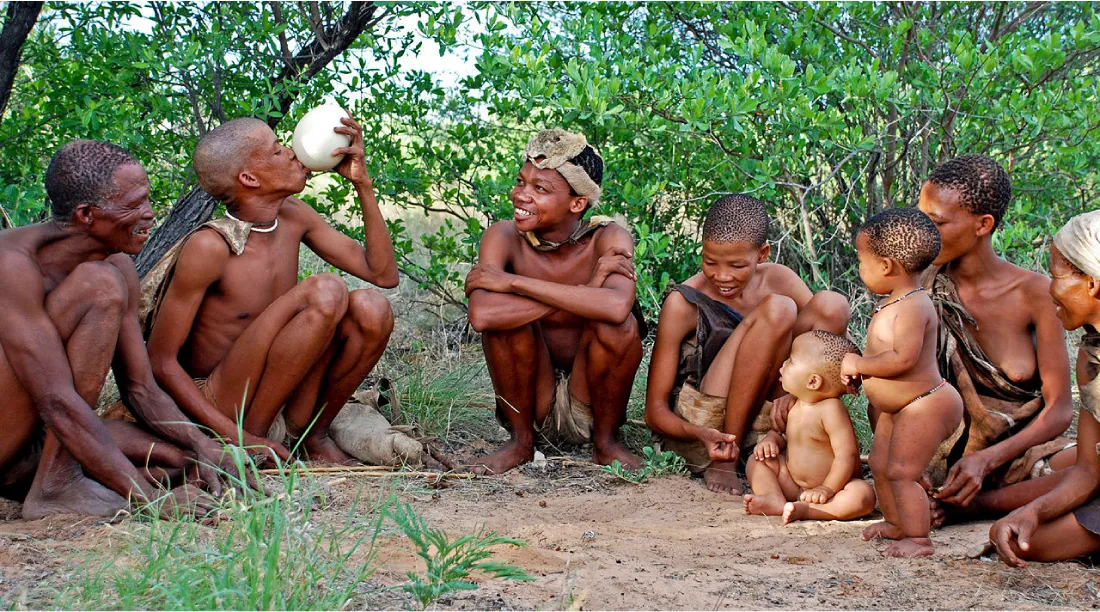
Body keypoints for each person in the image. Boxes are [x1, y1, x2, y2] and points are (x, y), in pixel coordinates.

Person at [0, 140, 236, 520]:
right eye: (134, 204)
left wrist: (203, 443)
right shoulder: (12, 264)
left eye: (147, 199)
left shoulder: (118, 265)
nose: (149, 214)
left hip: (39, 441)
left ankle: (59, 477)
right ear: (87, 215)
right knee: (99, 284)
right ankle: (56, 486)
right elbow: (56, 399)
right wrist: (152, 502)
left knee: (184, 463)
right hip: (12, 433)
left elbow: (140, 387)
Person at [144, 112, 398, 466]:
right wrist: (239, 437)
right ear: (248, 178)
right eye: (277, 151)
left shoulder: (294, 216)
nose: (293, 152)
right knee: (324, 289)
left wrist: (362, 184)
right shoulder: (210, 247)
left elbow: (383, 274)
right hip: (224, 403)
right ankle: (257, 443)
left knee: (373, 307)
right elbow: (161, 362)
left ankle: (311, 437)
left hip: (283, 390)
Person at [644, 194, 851, 494]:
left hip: (769, 406)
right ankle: (728, 457)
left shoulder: (779, 278)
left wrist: (799, 393)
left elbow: (826, 346)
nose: (722, 276)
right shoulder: (683, 302)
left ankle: (787, 432)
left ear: (763, 253)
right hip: (711, 417)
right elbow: (654, 410)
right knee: (779, 309)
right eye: (710, 262)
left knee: (832, 305)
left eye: (737, 265)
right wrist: (698, 432)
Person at [464, 129, 643, 474]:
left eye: (540, 189)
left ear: (577, 204)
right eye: (521, 182)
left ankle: (606, 444)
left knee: (621, 328)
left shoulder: (608, 237)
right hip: (533, 399)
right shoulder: (504, 236)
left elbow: (616, 307)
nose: (521, 195)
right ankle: (520, 443)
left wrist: (513, 283)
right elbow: (483, 316)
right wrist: (588, 288)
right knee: (505, 324)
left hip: (589, 400)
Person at [915, 155, 1074, 521]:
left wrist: (986, 460)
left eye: (936, 222)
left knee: (1091, 464)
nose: (922, 231)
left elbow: (1060, 410)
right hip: (939, 455)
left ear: (983, 224)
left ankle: (974, 508)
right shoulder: (918, 285)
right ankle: (939, 494)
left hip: (1015, 454)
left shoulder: (1035, 294)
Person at [844, 207, 964, 558]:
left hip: (925, 403)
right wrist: (859, 371)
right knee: (881, 464)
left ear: (885, 266)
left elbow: (903, 358)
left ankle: (919, 538)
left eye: (861, 261)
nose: (859, 268)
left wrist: (860, 363)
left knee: (901, 471)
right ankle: (897, 523)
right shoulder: (893, 302)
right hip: (899, 407)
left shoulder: (913, 305)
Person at [989, 210, 1100, 567]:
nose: (1050, 289)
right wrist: (1031, 512)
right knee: (1028, 542)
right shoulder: (1091, 356)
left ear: (1092, 283)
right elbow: (1088, 470)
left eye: (1055, 276)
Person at [743, 330, 876, 524]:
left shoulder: (831, 410)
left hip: (834, 489)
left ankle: (812, 511)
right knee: (757, 462)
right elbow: (786, 436)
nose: (784, 364)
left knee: (862, 495)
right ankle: (774, 498)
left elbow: (847, 455)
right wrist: (771, 440)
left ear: (813, 381)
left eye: (791, 360)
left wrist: (827, 488)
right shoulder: (794, 404)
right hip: (794, 484)